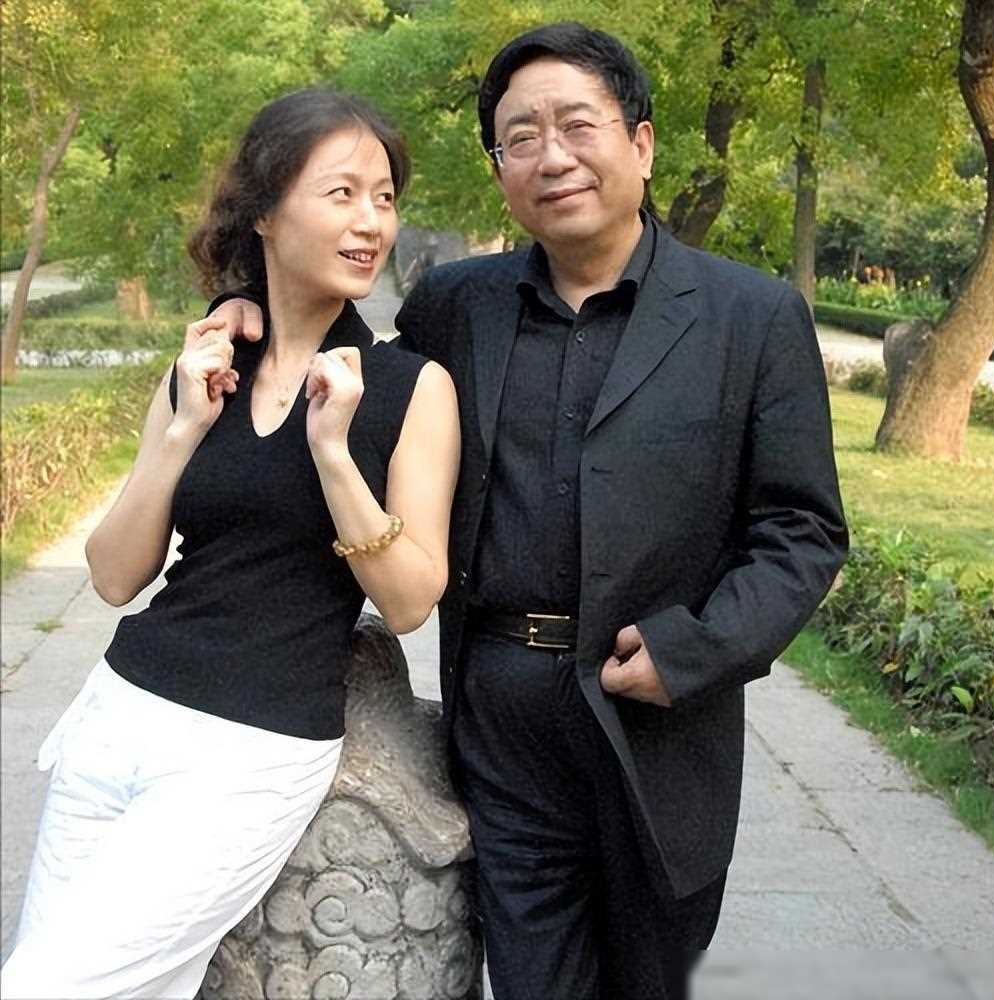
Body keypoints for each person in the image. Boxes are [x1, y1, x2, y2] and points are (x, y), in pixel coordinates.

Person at [208, 22, 848, 1000]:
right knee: (533, 977)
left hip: (655, 722)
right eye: (520, 137)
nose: (551, 157)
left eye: (577, 126)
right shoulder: (457, 305)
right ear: (499, 168)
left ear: (640, 143)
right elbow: (351, 369)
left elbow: (802, 530)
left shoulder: (750, 316)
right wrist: (246, 310)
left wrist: (694, 651)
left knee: (652, 978)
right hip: (501, 719)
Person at [0, 88, 459, 1000]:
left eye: (384, 197)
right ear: (265, 212)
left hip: (253, 747)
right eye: (342, 193)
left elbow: (411, 599)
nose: (372, 221)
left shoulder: (412, 388)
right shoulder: (207, 363)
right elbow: (114, 574)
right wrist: (180, 431)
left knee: (49, 986)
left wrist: (334, 454)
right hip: (120, 713)